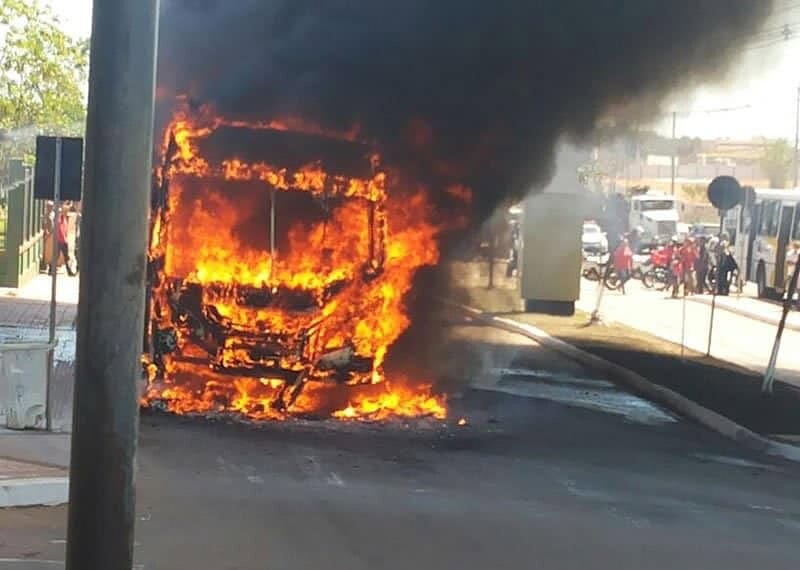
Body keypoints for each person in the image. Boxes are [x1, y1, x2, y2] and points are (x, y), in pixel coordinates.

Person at [50, 211, 76, 277]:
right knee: (57, 256)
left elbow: (64, 230)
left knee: (65, 257)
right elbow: (58, 229)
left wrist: (66, 239)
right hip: (59, 241)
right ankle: (51, 269)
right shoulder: (58, 219)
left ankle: (68, 271)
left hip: (63, 241)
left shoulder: (63, 219)